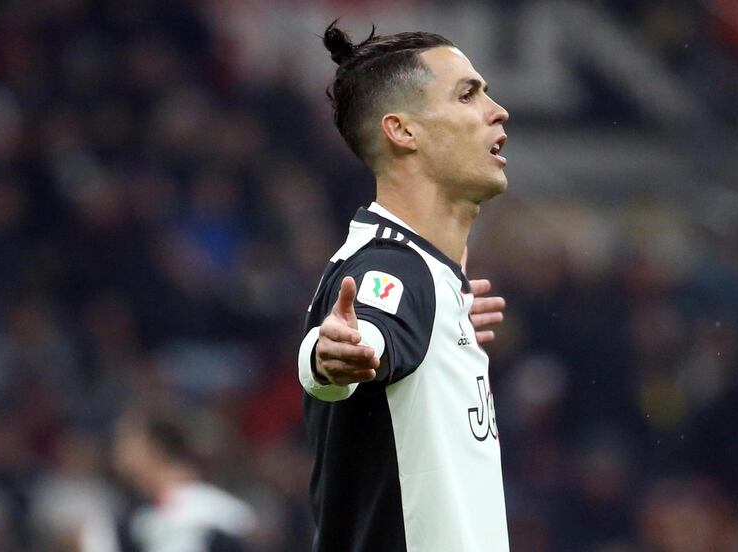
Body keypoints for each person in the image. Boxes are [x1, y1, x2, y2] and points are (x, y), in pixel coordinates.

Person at [297, 20, 510, 552]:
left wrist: (446, 317)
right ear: (403, 131)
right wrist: (334, 357)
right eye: (468, 94)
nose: (498, 109)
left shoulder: (430, 279)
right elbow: (354, 338)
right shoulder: (393, 269)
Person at [81, 410, 258, 552]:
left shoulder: (216, 510)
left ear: (156, 448)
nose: (119, 453)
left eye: (128, 443)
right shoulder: (120, 520)